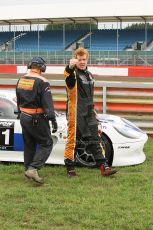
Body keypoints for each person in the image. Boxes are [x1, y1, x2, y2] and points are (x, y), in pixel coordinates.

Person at [64, 47, 117, 177]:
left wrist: (93, 109)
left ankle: (104, 166)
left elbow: (89, 96)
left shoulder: (89, 74)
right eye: (79, 59)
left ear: (87, 60)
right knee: (74, 140)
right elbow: (68, 80)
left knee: (95, 138)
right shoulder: (72, 73)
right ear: (75, 60)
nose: (81, 62)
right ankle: (70, 169)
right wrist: (69, 68)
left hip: (88, 110)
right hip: (75, 111)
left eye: (84, 59)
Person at [16, 57, 57, 184]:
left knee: (29, 145)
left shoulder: (21, 79)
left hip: (23, 116)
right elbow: (47, 104)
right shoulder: (43, 81)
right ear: (42, 67)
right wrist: (53, 119)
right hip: (37, 118)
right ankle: (33, 169)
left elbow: (18, 98)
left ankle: (28, 169)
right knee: (47, 143)